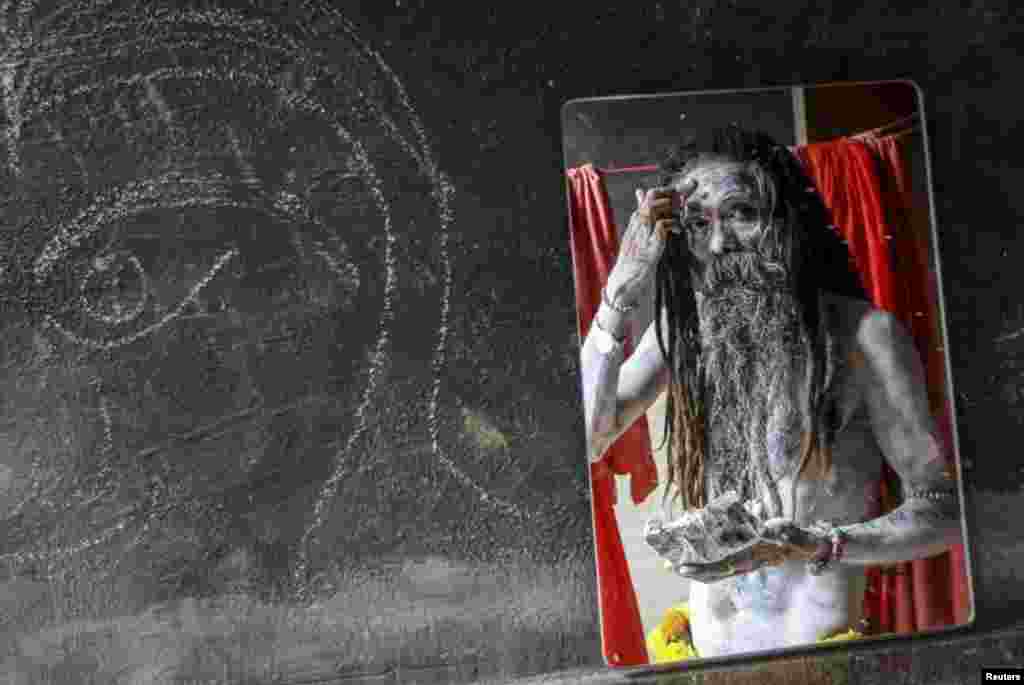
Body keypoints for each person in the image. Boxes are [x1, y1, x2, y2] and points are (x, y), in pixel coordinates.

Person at [579, 125, 962, 659]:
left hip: (822, 663)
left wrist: (819, 545)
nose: (719, 244)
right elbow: (589, 438)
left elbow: (945, 511)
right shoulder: (684, 332)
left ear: (787, 219)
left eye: (742, 213)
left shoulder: (862, 336)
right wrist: (620, 289)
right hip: (701, 658)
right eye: (697, 223)